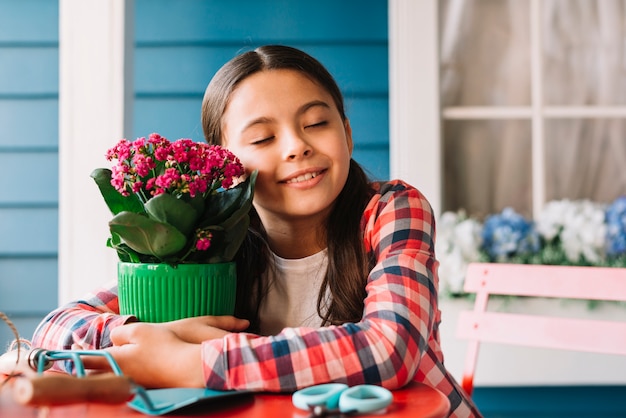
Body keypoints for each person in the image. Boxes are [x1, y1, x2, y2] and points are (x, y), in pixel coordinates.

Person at [31, 45, 481, 417]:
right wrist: (137, 337)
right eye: (263, 138)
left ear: (346, 132)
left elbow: (388, 348)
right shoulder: (208, 237)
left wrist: (189, 362)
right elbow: (56, 326)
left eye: (317, 124)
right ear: (226, 165)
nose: (297, 146)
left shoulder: (391, 210)